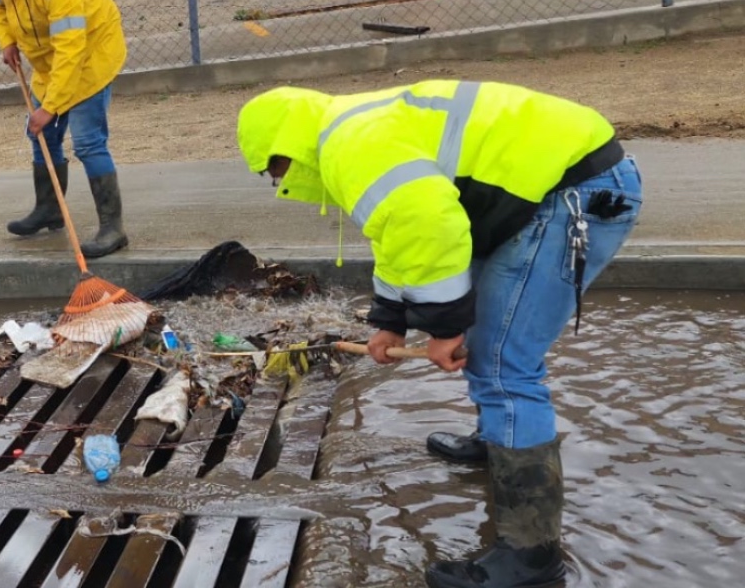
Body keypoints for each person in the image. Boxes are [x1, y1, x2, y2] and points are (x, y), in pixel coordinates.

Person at [236, 80, 642, 588]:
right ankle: (498, 441)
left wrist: (444, 329)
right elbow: (399, 235)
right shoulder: (353, 131)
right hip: (543, 188)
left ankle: (531, 555)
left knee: (504, 365)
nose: (277, 184)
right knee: (490, 343)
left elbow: (430, 225)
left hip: (574, 191)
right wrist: (391, 321)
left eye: (272, 171)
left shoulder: (350, 144)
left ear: (284, 147)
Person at [0, 0, 129, 259]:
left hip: (90, 55)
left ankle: (113, 228)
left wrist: (50, 108)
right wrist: (7, 42)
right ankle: (50, 210)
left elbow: (71, 50)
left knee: (88, 142)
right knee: (41, 136)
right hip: (48, 61)